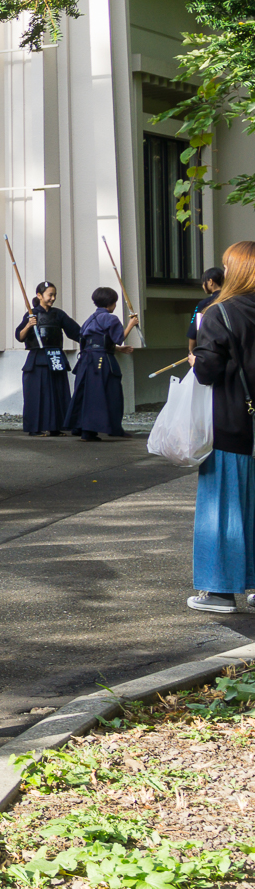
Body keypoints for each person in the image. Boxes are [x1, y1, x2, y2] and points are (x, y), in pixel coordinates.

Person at [190, 243, 255, 614]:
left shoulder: (220, 313)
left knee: (223, 507)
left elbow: (207, 370)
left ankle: (218, 591)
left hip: (232, 421)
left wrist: (197, 358)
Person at [67, 287, 137, 442]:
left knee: (88, 395)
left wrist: (117, 349)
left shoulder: (89, 319)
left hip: (86, 360)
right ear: (111, 303)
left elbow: (90, 341)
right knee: (111, 393)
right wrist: (131, 324)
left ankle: (85, 430)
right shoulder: (111, 319)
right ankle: (113, 428)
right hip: (102, 361)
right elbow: (118, 337)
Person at [16, 282, 80, 436]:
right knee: (37, 393)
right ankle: (35, 428)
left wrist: (91, 341)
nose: (53, 298)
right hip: (38, 356)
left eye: (54, 295)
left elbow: (76, 332)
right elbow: (19, 336)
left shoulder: (59, 314)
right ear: (39, 296)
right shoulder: (31, 314)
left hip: (55, 355)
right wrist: (29, 326)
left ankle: (55, 427)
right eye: (50, 295)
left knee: (57, 392)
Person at [190, 266, 225, 360]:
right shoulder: (234, 300)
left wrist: (191, 353)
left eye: (203, 282)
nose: (202, 286)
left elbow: (194, 331)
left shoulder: (204, 304)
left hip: (210, 352)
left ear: (210, 282)